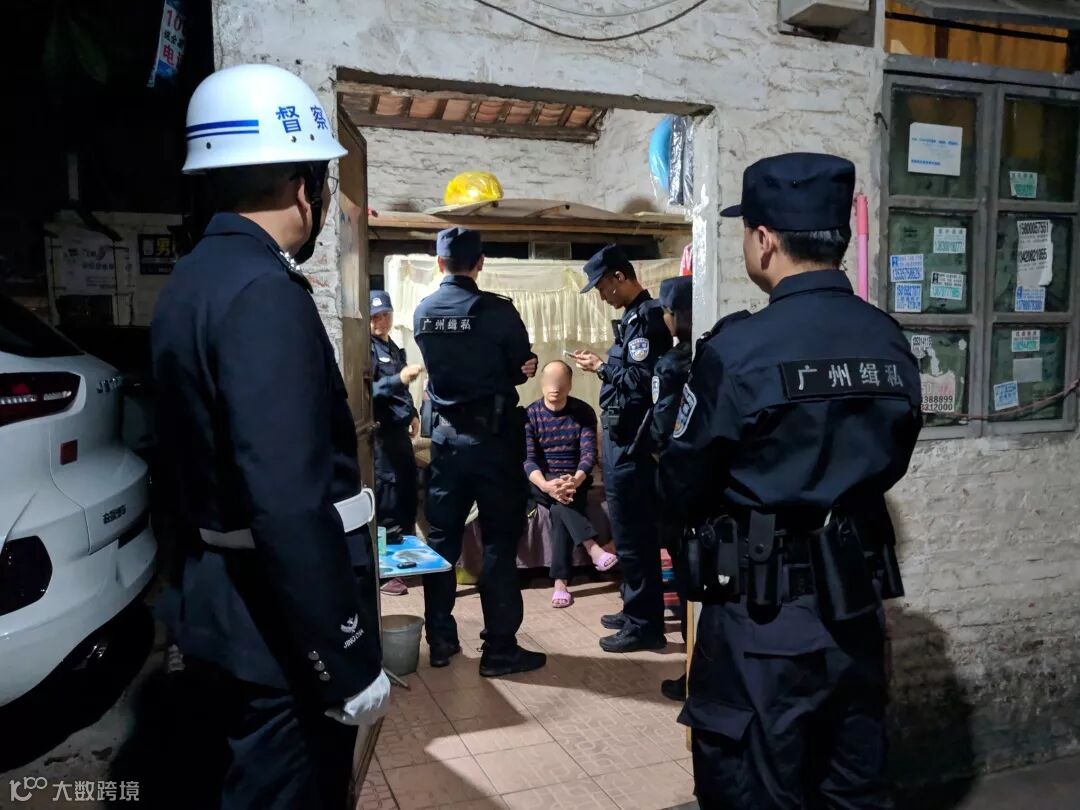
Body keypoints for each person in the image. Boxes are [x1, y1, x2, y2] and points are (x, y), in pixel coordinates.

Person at [150, 64, 389, 810]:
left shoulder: (194, 280)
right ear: (301, 184)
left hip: (223, 609)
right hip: (280, 633)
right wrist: (343, 659)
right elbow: (287, 500)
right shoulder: (264, 293)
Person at [661, 153, 922, 808]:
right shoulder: (888, 340)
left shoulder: (737, 351)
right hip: (855, 608)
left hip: (762, 619)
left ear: (764, 239)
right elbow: (895, 455)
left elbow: (682, 482)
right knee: (852, 786)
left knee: (753, 788)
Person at [413, 227, 546, 676]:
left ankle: (440, 639)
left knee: (441, 542)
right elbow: (519, 367)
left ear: (439, 263)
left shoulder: (423, 311)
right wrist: (520, 368)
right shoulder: (497, 311)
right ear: (480, 263)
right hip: (492, 445)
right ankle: (500, 649)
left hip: (446, 445)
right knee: (499, 543)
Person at [571, 245, 672, 653]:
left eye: (601, 287)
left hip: (635, 443)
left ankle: (645, 624)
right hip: (620, 439)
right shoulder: (631, 318)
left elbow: (641, 381)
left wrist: (601, 367)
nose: (601, 296)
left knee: (635, 535)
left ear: (619, 276)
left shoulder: (647, 318)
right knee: (625, 530)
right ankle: (634, 608)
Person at [524, 360, 618, 608]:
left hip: (573, 480)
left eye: (561, 382)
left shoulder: (583, 412)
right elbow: (529, 460)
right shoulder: (530, 415)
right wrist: (547, 485)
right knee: (560, 501)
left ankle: (560, 583)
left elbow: (588, 455)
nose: (555, 387)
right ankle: (593, 548)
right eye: (550, 382)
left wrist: (575, 480)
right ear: (541, 383)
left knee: (559, 509)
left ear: (570, 384)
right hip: (541, 481)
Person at [650, 275, 694, 702]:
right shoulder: (718, 353)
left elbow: (662, 426)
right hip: (719, 486)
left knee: (686, 582)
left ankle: (691, 672)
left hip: (681, 483)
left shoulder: (672, 364)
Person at [369, 289, 422, 596]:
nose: (381, 321)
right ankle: (387, 573)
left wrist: (413, 413)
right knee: (387, 499)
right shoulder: (367, 349)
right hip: (381, 436)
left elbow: (402, 393)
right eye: (375, 316)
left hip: (400, 434)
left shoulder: (394, 348)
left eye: (385, 315)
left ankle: (402, 563)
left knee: (406, 494)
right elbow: (370, 392)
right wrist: (398, 379)